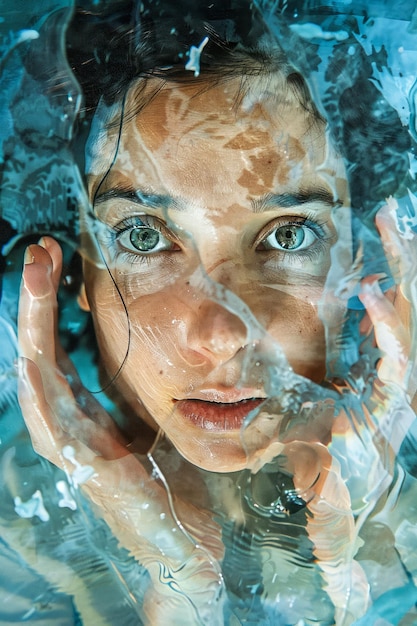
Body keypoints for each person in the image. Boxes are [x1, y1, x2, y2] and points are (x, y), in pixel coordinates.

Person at [10, 2, 417, 624]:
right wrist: (178, 584)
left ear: (362, 261)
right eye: (143, 236)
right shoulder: (17, 522)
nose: (222, 334)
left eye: (289, 237)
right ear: (82, 270)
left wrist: (376, 537)